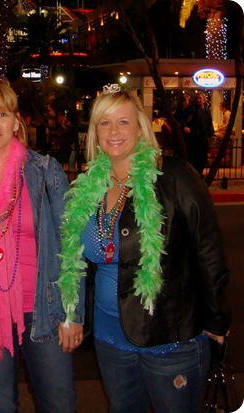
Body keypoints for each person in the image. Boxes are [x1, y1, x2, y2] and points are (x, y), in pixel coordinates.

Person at [58, 84, 231, 413]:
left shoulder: (175, 176)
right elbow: (79, 264)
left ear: (140, 127)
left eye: (123, 122)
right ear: (94, 131)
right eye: (105, 123)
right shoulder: (88, 188)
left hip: (169, 337)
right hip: (110, 339)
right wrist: (72, 314)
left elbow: (208, 251)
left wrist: (217, 319)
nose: (114, 132)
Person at [0, 78, 81, 413]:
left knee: (59, 404)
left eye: (2, 114)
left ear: (16, 122)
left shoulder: (43, 171)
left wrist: (72, 312)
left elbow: (70, 245)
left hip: (44, 307)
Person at [186, 91, 214, 175]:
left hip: (204, 138)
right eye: (197, 98)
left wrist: (211, 134)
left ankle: (199, 173)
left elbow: (209, 122)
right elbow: (187, 120)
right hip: (195, 137)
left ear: (204, 100)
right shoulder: (193, 109)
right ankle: (196, 174)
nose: (198, 100)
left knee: (203, 158)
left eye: (200, 98)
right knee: (196, 157)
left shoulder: (207, 110)